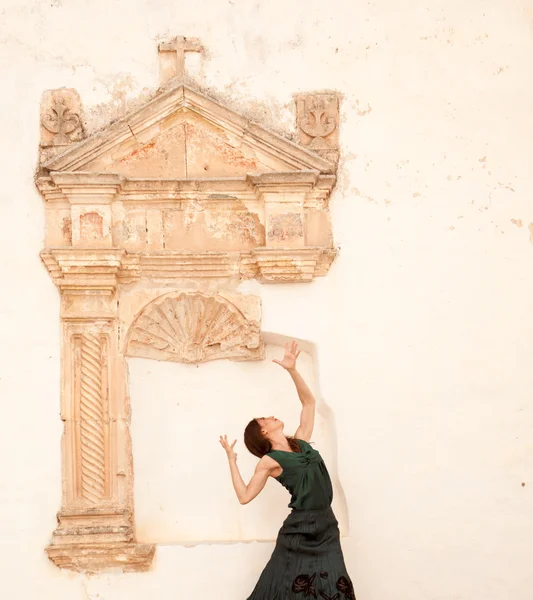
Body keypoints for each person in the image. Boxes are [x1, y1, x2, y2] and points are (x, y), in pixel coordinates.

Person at [220, 341, 356, 600]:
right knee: (282, 587)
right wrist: (232, 460)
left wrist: (292, 370)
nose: (272, 417)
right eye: (266, 419)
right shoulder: (269, 461)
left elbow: (309, 404)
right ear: (263, 432)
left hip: (326, 525)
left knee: (334, 586)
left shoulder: (301, 442)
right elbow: (245, 496)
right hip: (299, 530)